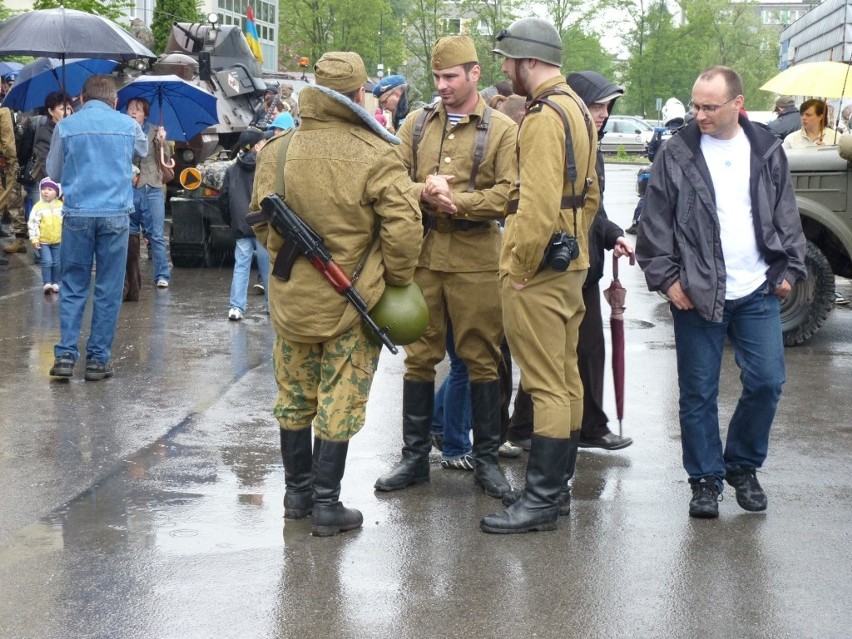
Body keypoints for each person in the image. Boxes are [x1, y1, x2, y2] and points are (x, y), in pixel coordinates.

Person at [249, 52, 422, 537]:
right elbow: (404, 230)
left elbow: (261, 223)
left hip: (291, 300)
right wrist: (396, 277)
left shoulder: (276, 150)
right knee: (338, 399)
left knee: (294, 396)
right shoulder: (376, 154)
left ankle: (295, 497)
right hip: (354, 303)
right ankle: (327, 504)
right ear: (359, 94)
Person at [635, 66, 806, 518]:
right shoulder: (676, 152)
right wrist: (669, 281)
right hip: (696, 291)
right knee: (698, 393)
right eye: (695, 105)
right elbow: (654, 226)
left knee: (768, 382)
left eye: (710, 106)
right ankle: (705, 480)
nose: (699, 114)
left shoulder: (766, 148)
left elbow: (786, 214)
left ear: (738, 104)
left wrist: (789, 269)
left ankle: (743, 467)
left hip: (756, 290)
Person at [373, 35, 518, 500]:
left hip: (477, 257)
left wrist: (458, 201)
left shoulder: (501, 129)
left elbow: (510, 194)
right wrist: (421, 191)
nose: (442, 85)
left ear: (475, 73)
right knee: (419, 355)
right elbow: (389, 176)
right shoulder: (415, 124)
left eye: (450, 76)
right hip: (425, 255)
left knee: (480, 357)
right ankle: (415, 458)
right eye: (437, 77)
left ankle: (488, 461)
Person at [482, 17, 600, 534]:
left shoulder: (543, 115)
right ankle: (559, 492)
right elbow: (590, 193)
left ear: (529, 60)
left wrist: (519, 267)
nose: (505, 70)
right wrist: (573, 243)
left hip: (541, 272)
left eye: (508, 60)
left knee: (547, 385)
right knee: (567, 379)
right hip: (569, 266)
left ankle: (541, 502)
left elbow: (535, 206)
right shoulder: (576, 105)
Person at [46, 75, 148, 381]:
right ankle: (97, 361)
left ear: (80, 98)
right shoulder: (128, 125)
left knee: (74, 284)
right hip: (115, 215)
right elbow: (140, 150)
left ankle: (65, 356)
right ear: (115, 101)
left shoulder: (66, 126)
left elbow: (53, 171)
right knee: (108, 288)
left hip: (77, 213)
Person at [220, 128, 268, 321]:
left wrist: (231, 221)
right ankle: (271, 306)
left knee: (241, 266)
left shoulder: (232, 170)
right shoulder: (264, 168)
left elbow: (223, 200)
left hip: (241, 226)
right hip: (262, 225)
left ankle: (236, 307)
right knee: (267, 268)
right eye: (263, 142)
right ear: (256, 146)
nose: (265, 145)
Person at [127, 97, 171, 288]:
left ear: (145, 113)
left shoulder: (155, 131)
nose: (133, 112)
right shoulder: (123, 130)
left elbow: (167, 160)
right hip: (131, 186)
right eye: (130, 108)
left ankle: (162, 275)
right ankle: (130, 276)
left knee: (157, 234)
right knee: (130, 233)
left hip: (153, 185)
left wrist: (162, 143)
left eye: (137, 109)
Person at [27, 177, 63, 294]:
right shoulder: (38, 207)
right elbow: (33, 223)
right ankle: (47, 283)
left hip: (58, 240)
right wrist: (34, 238)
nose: (45, 191)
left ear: (57, 192)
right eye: (43, 189)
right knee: (47, 261)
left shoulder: (61, 206)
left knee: (57, 263)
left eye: (49, 189)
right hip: (43, 241)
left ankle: (55, 283)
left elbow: (65, 223)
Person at [0, 104, 27, 257]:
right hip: (6, 162)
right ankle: (19, 239)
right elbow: (8, 142)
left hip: (5, 163)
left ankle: (20, 240)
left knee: (13, 199)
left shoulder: (4, 111)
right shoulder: (4, 110)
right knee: (13, 199)